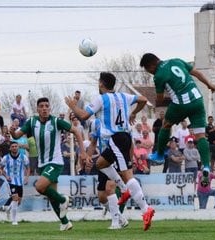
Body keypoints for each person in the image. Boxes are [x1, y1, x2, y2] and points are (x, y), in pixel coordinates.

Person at [65, 72, 155, 231]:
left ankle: (146, 209)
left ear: (101, 84)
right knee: (100, 164)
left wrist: (72, 106)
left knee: (127, 175)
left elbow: (84, 115)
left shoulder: (101, 99)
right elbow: (143, 100)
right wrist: (134, 112)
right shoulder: (123, 96)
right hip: (125, 138)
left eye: (98, 82)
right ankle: (126, 189)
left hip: (116, 139)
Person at [10, 97, 87, 231]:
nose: (44, 108)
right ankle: (65, 222)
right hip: (42, 163)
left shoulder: (56, 121)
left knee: (39, 187)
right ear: (37, 109)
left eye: (47, 106)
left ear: (49, 108)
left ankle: (63, 200)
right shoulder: (32, 122)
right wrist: (12, 131)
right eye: (42, 106)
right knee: (51, 196)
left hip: (55, 162)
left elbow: (76, 131)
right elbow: (16, 136)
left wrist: (82, 151)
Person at [140, 53, 215, 187]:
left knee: (166, 125)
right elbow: (196, 73)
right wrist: (209, 84)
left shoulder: (159, 76)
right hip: (197, 100)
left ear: (151, 65)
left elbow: (159, 99)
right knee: (200, 136)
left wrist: (162, 103)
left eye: (148, 70)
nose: (151, 73)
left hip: (181, 103)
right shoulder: (177, 61)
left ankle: (159, 154)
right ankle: (206, 166)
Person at [86, 118, 128, 229]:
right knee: (102, 197)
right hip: (103, 160)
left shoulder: (117, 119)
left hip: (115, 157)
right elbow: (93, 142)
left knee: (110, 188)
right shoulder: (96, 123)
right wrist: (88, 157)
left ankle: (115, 223)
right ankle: (120, 217)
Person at [0, 141, 30, 225]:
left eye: (16, 146)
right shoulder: (6, 158)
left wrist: (27, 177)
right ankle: (14, 220)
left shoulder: (23, 157)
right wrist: (6, 176)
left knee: (18, 201)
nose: (14, 148)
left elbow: (28, 168)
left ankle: (9, 209)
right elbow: (1, 169)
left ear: (18, 148)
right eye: (12, 146)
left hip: (20, 181)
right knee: (15, 198)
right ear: (10, 148)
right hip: (11, 181)